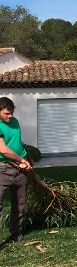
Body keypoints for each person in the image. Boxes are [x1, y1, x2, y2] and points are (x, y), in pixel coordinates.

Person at [0, 97, 32, 242]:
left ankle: (16, 233)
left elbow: (17, 143)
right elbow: (4, 150)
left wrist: (27, 159)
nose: (10, 116)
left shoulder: (15, 121)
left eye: (12, 112)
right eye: (7, 113)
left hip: (21, 169)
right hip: (3, 170)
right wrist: (20, 159)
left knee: (20, 203)